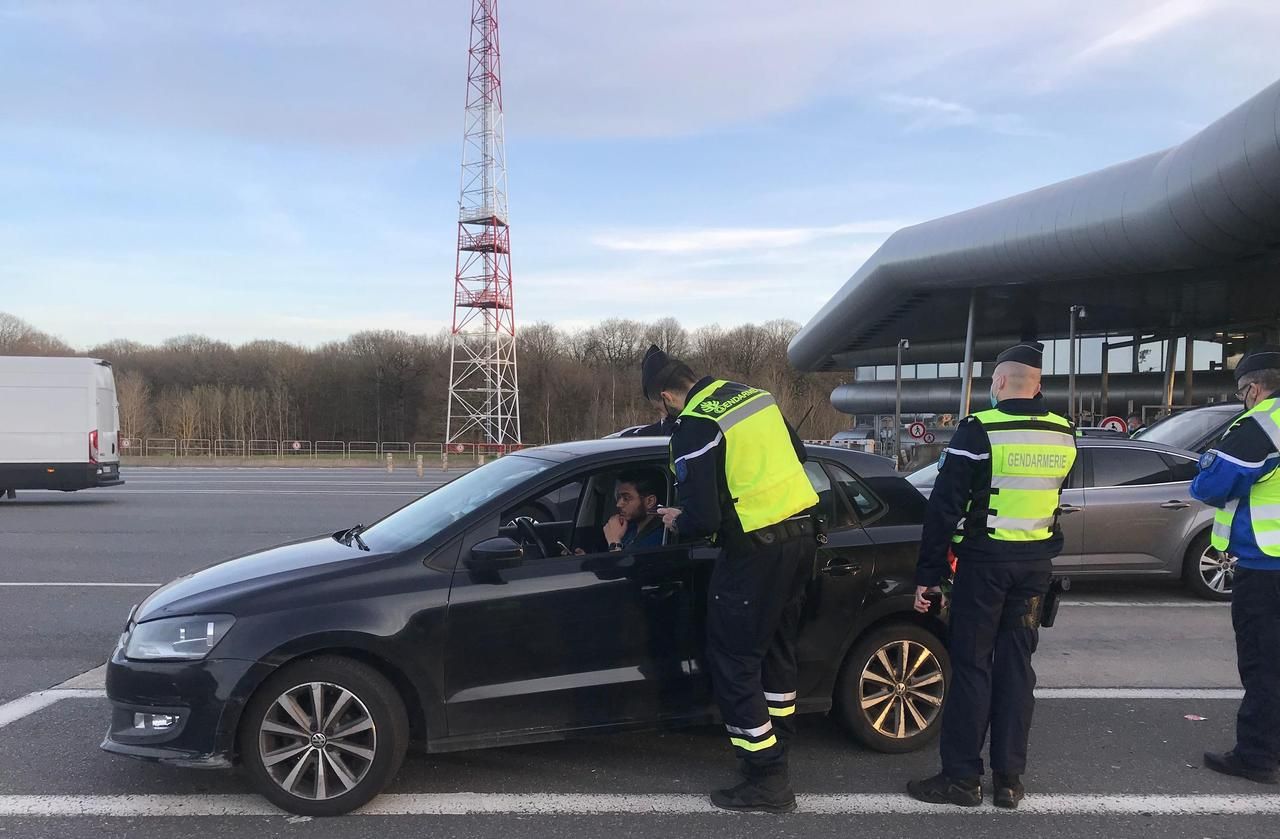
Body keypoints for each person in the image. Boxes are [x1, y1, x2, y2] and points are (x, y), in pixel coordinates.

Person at [640, 344, 819, 814]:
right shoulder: (751, 397)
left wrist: (675, 517)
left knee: (733, 660)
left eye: (656, 406)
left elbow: (701, 517)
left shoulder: (695, 426)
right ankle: (778, 746)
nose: (661, 414)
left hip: (755, 552)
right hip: (801, 539)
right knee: (777, 651)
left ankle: (766, 778)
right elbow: (796, 453)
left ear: (665, 396)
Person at [907, 341, 1077, 810]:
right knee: (1017, 669)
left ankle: (962, 779)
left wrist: (929, 574)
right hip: (1035, 568)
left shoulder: (980, 430)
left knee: (972, 668)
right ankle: (1009, 780)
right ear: (1038, 383)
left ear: (1000, 382)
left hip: (984, 566)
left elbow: (943, 509)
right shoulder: (1064, 433)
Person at [1190, 348, 1280, 785]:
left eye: (1243, 393)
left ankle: (1257, 756)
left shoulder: (1263, 423)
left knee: (1264, 663)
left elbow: (1212, 484)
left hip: (1267, 567)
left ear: (1254, 388)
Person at [601, 471, 665, 552]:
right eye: (619, 497)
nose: (618, 504)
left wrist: (614, 542)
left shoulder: (658, 540)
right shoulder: (629, 528)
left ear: (650, 501)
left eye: (626, 498)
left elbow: (621, 564)